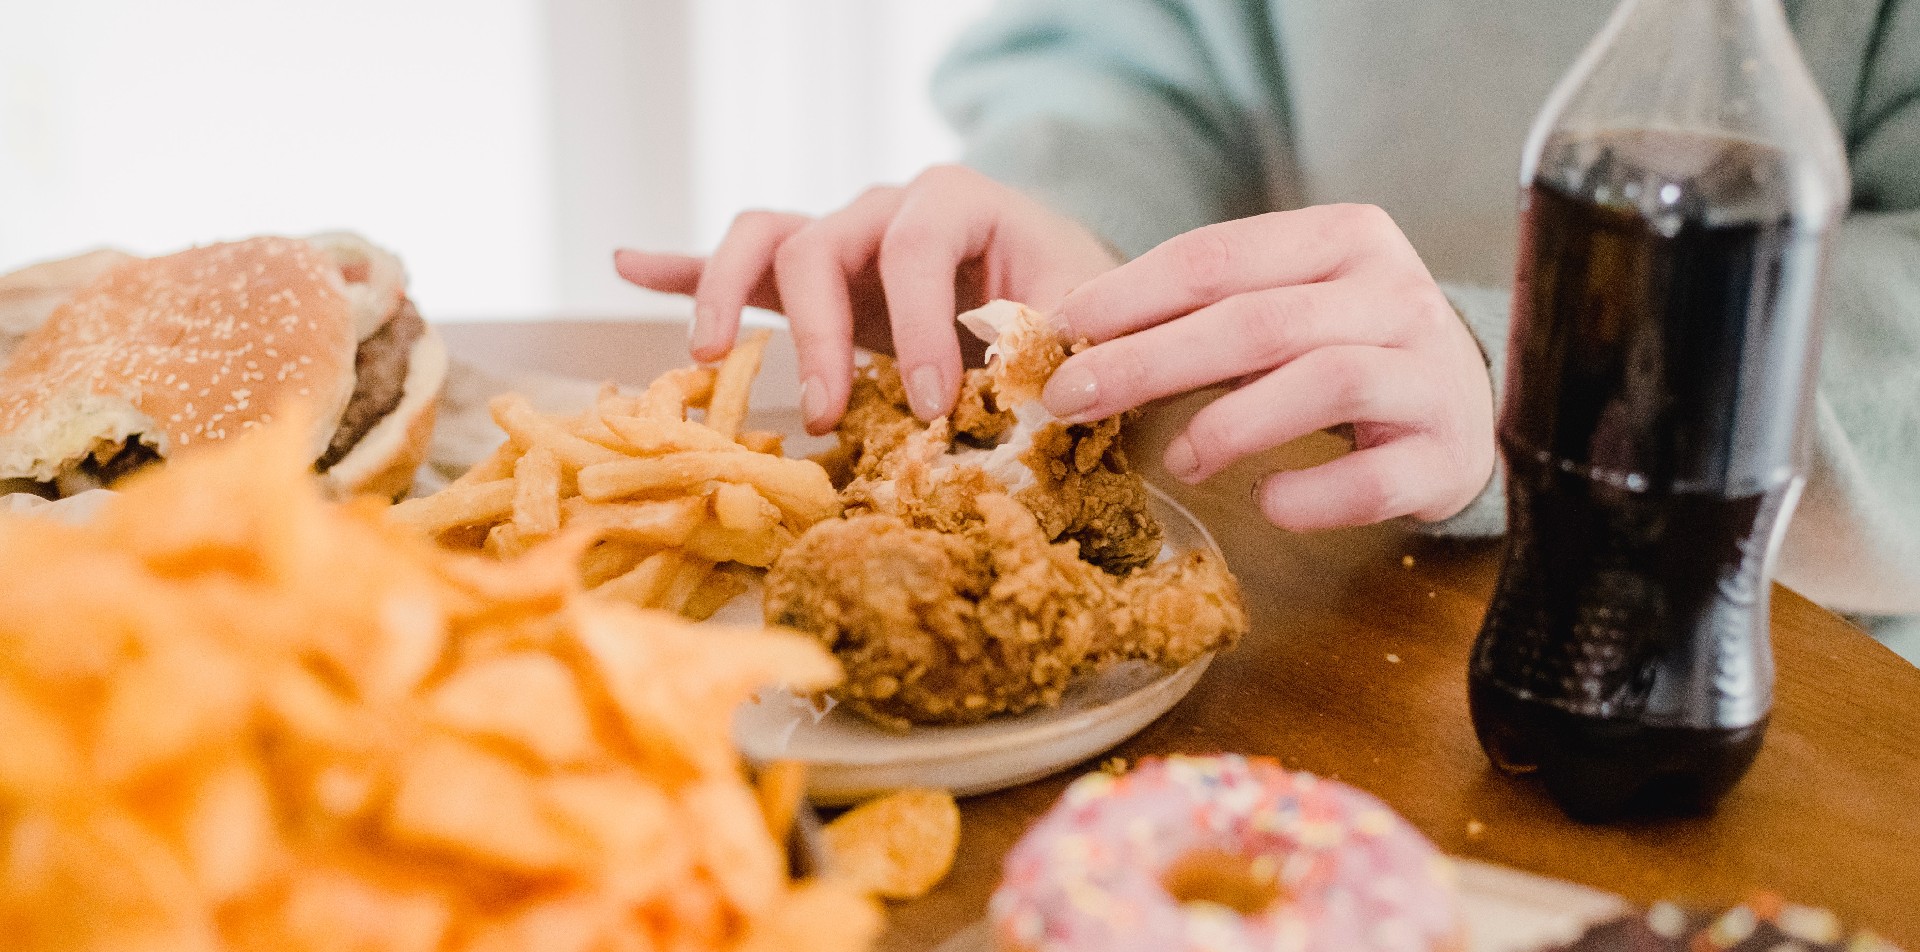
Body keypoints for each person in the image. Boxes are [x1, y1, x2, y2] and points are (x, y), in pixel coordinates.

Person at [614, 0, 1920, 661]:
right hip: (1326, 604)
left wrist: (1544, 380)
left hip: (1785, 653)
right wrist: (1080, 248)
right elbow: (1138, 50)